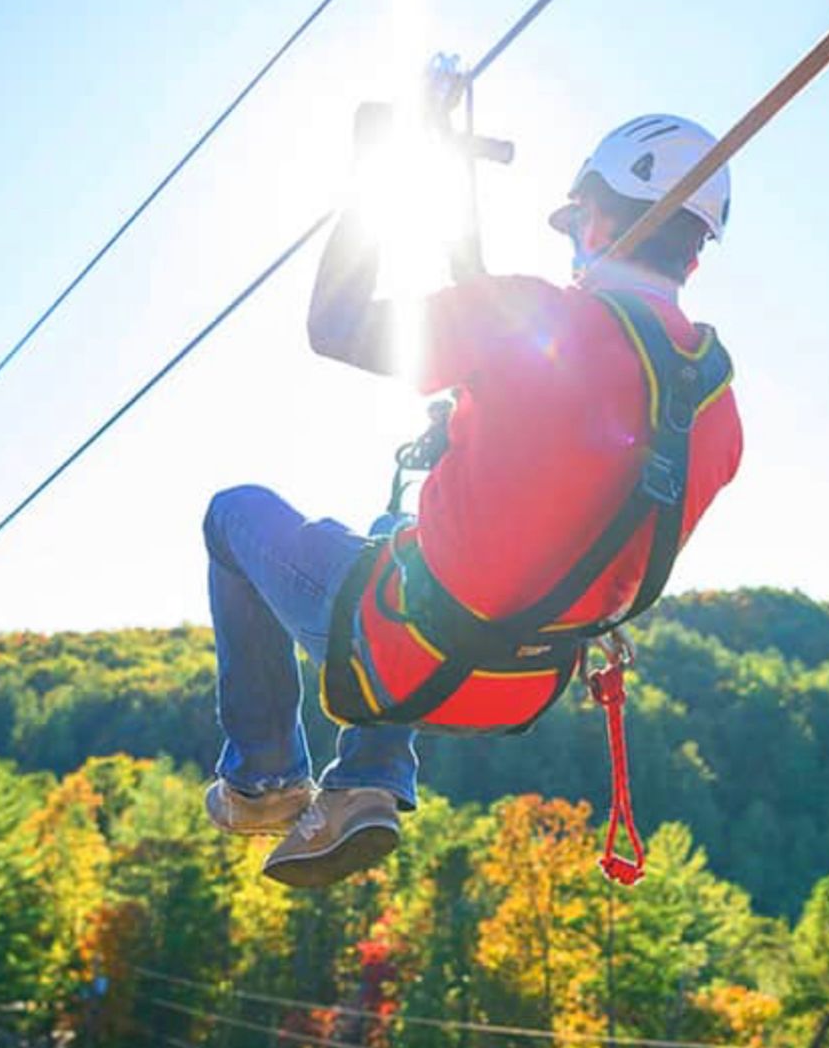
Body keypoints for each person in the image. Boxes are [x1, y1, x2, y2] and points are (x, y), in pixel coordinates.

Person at [200, 101, 743, 888]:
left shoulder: (537, 316)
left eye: (573, 224)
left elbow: (336, 326)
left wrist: (371, 185)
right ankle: (367, 784)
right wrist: (475, 423)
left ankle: (262, 781)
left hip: (405, 649)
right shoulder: (713, 405)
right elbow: (572, 477)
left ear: (592, 218)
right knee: (395, 524)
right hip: (518, 681)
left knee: (233, 514)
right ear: (694, 255)